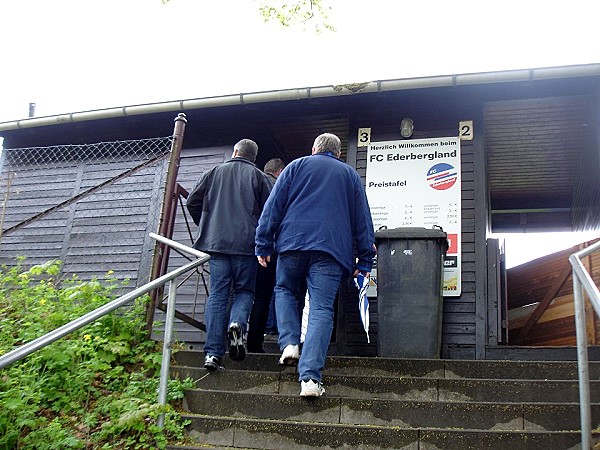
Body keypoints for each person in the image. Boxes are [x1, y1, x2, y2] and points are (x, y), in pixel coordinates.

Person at [255, 133, 375, 397]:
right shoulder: (350, 175)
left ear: (314, 149)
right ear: (339, 153)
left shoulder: (295, 167)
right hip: (331, 250)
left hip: (291, 244)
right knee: (321, 309)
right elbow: (363, 221)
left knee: (285, 290)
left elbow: (272, 207)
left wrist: (263, 243)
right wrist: (365, 259)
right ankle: (310, 379)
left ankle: (288, 343)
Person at [187, 139, 272, 370]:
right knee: (245, 291)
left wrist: (207, 224)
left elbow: (192, 202)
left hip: (217, 245)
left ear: (235, 152)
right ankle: (236, 324)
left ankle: (213, 354)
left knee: (218, 294)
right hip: (247, 246)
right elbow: (271, 213)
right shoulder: (260, 178)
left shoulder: (213, 173)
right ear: (253, 158)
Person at [247, 158, 286, 353]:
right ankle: (273, 335)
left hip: (248, 246)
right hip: (270, 248)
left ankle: (244, 337)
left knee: (250, 294)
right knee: (275, 291)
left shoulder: (252, 182)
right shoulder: (275, 185)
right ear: (279, 172)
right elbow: (273, 216)